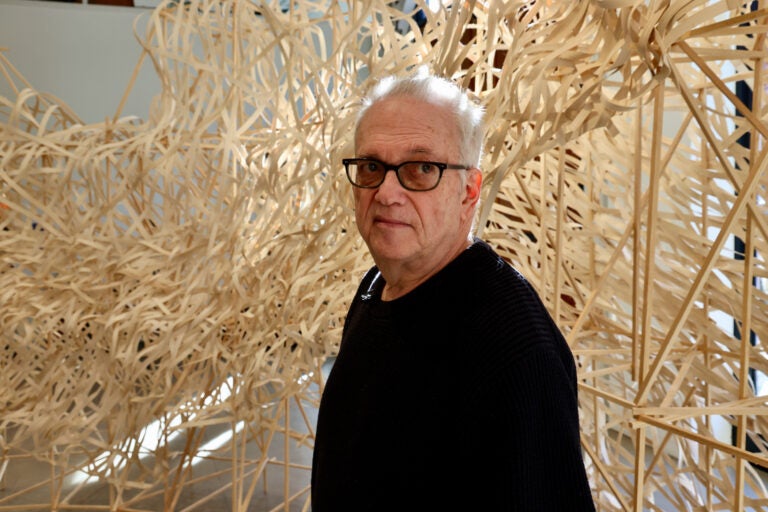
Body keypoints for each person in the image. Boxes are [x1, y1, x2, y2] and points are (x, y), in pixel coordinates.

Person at [311, 68, 595, 511]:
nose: (386, 192)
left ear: (469, 191)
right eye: (371, 167)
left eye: (421, 168)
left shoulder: (515, 347)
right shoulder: (376, 289)